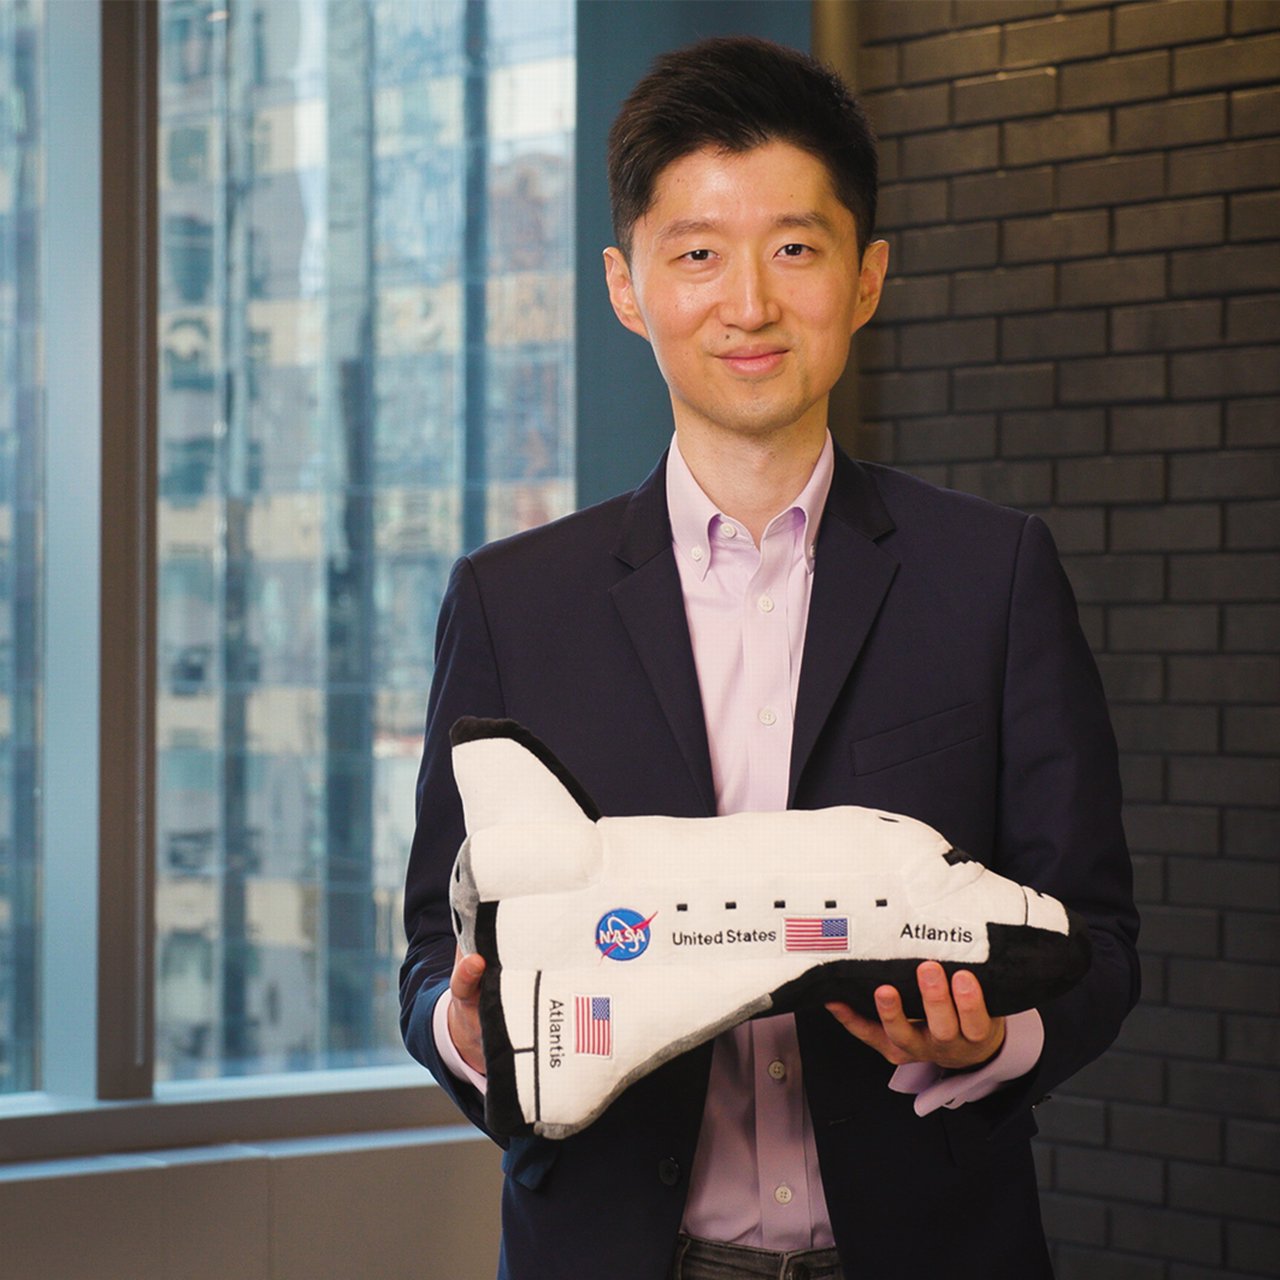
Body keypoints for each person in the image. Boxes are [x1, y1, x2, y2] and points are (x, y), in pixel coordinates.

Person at [400, 35, 1139, 1280]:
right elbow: (435, 935)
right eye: (696, 253)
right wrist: (470, 1025)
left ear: (865, 278)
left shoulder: (992, 575)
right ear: (626, 287)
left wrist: (996, 1039)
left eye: (794, 248)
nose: (747, 302)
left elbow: (1099, 937)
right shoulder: (510, 602)